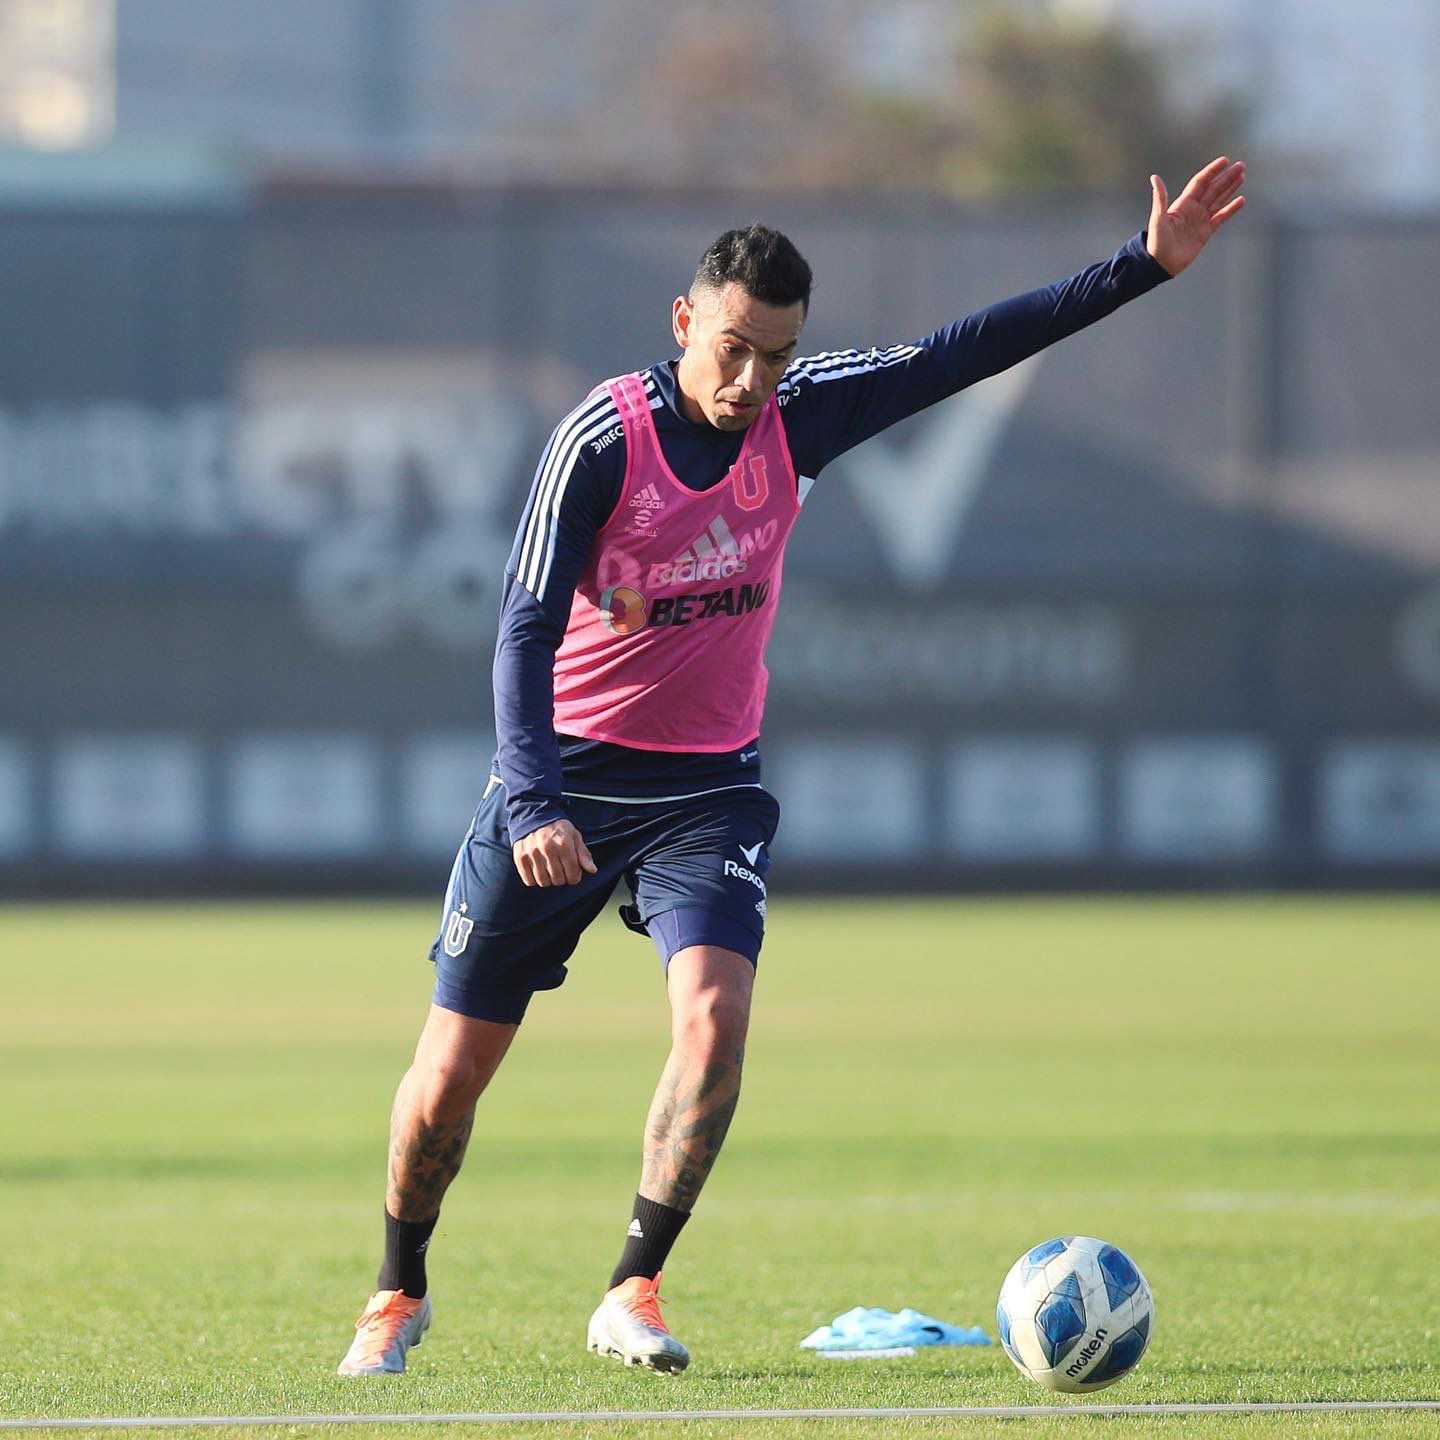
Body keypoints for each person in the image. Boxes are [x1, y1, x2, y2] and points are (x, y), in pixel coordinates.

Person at [337, 156, 1246, 1378]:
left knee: (715, 1027)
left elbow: (960, 352)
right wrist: (534, 796)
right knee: (448, 1081)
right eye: (732, 348)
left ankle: (634, 1289)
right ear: (684, 322)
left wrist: (1140, 268)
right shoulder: (601, 441)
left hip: (707, 791)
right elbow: (521, 622)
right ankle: (396, 1295)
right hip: (561, 787)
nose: (751, 378)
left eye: (775, 352)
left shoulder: (799, 414)